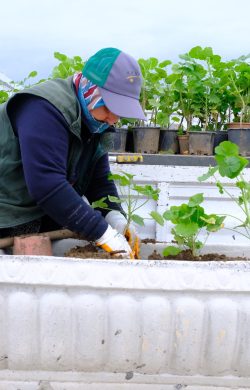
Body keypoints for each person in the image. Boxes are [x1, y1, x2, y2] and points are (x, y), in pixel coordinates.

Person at [0, 47, 146, 258]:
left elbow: (99, 181)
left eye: (120, 112)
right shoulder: (44, 109)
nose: (113, 119)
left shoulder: (95, 120)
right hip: (6, 215)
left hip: (32, 217)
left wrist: (116, 218)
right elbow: (47, 185)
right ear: (92, 90)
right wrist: (103, 234)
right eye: (109, 107)